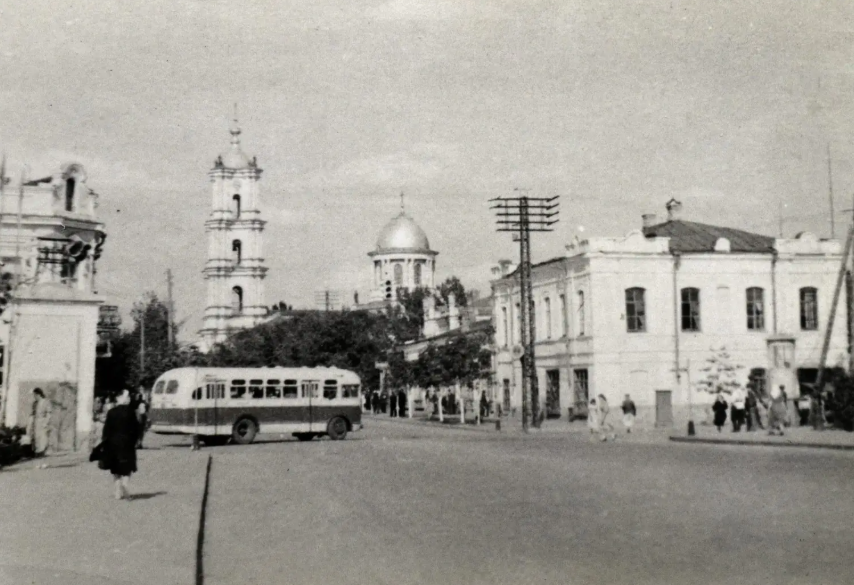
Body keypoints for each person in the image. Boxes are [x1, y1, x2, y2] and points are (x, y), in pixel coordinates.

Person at [101, 389, 140, 500]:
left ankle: (117, 491)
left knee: (115, 467)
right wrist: (135, 440)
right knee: (128, 467)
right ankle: (125, 485)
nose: (128, 398)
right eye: (126, 396)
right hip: (127, 443)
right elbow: (135, 428)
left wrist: (105, 442)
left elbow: (106, 429)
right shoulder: (131, 412)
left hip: (113, 443)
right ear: (120, 398)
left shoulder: (111, 412)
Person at [28, 388, 52, 458]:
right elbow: (33, 413)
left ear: (39, 394)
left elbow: (49, 413)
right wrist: (31, 422)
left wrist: (46, 422)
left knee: (43, 437)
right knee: (36, 437)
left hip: (43, 421)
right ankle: (37, 452)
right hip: (36, 422)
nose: (34, 397)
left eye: (35, 395)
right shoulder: (35, 403)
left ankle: (42, 452)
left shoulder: (46, 402)